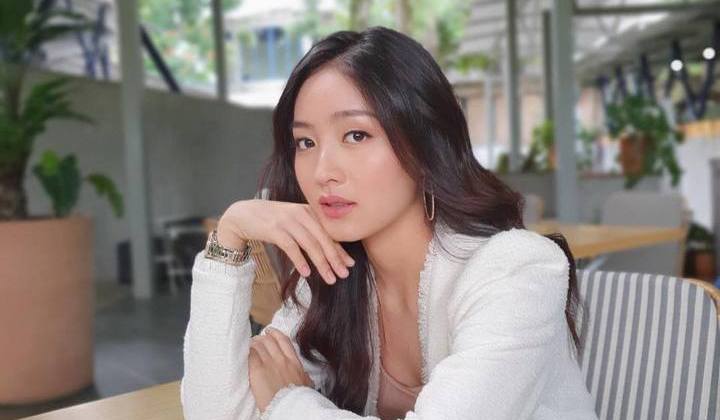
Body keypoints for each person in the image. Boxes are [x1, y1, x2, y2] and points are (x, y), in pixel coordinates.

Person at [180, 26, 598, 420]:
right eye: (305, 142)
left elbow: (277, 404)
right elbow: (213, 412)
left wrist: (289, 402)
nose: (323, 171)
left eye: (356, 135)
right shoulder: (332, 277)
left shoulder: (516, 269)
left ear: (424, 142)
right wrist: (229, 237)